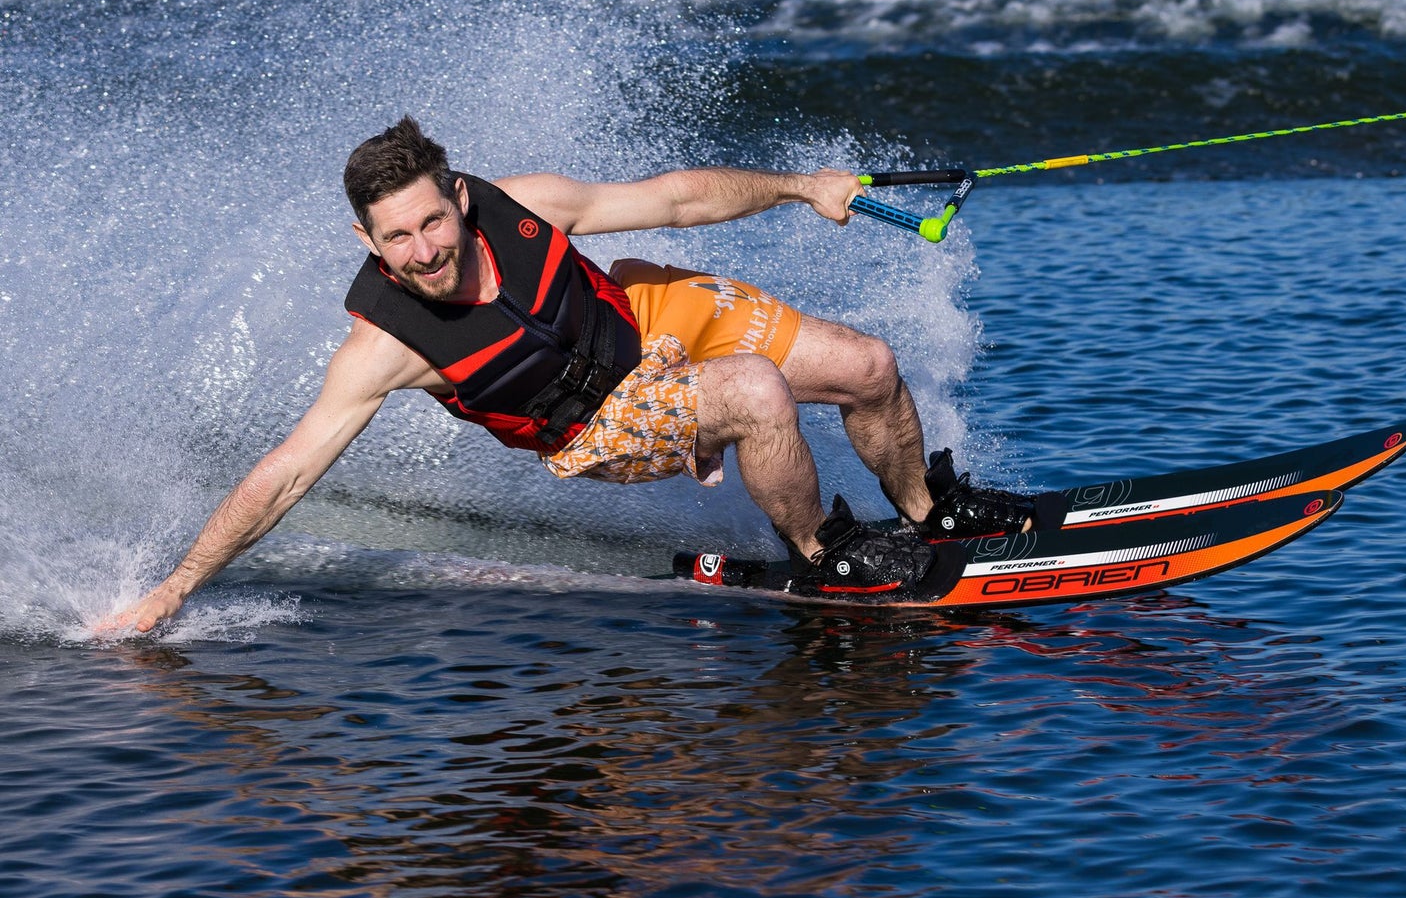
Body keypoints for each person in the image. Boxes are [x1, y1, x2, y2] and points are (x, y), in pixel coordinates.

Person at [101, 117, 1045, 632]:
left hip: (641, 322)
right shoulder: (386, 345)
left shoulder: (524, 207)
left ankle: (928, 511)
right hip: (596, 423)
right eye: (395, 238)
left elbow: (675, 200)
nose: (423, 252)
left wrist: (805, 187)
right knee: (756, 390)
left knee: (867, 364)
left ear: (458, 196)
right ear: (366, 239)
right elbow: (287, 472)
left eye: (432, 222)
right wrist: (176, 587)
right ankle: (823, 557)